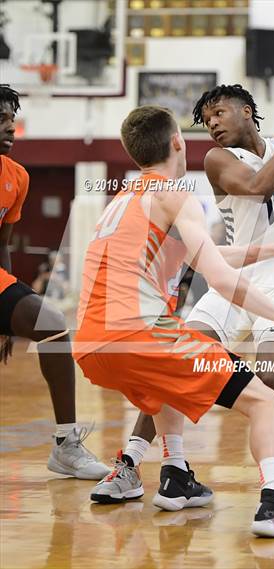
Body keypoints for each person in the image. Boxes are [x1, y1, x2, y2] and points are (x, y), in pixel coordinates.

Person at [74, 103, 274, 537]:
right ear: (178, 142)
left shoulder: (124, 200)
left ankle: (175, 472)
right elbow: (219, 277)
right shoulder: (178, 195)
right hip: (142, 333)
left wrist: (271, 249)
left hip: (92, 345)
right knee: (265, 401)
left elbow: (201, 255)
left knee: (164, 384)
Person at [114, 83, 274, 502]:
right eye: (207, 119)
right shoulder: (218, 159)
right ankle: (131, 462)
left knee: (273, 375)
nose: (212, 123)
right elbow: (257, 187)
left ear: (248, 111)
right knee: (174, 365)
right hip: (236, 273)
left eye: (219, 112)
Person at [0, 84, 109, 480]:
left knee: (51, 324)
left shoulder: (17, 177)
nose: (10, 128)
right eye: (1, 120)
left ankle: (66, 444)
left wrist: (8, 316)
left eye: (12, 120)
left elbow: (3, 243)